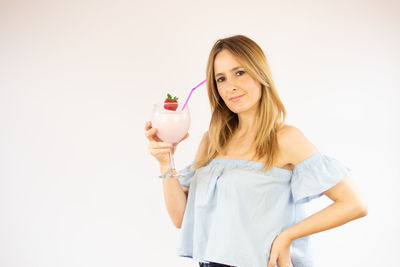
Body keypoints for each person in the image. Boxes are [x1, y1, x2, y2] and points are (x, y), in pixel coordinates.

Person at [144, 35, 368, 267]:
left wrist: (287, 236)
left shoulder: (285, 138)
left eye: (239, 72)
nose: (231, 86)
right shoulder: (212, 141)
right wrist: (165, 161)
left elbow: (354, 203)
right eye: (221, 78)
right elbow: (181, 219)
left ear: (260, 73)